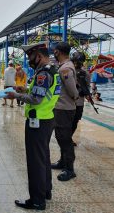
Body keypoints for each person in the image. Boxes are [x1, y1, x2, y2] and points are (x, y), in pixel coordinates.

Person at [6, 42, 61, 211]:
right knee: (43, 158)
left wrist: (15, 95)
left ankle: (37, 200)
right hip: (47, 118)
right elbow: (42, 93)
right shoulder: (52, 70)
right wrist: (26, 89)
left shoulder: (43, 73)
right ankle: (46, 191)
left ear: (38, 55)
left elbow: (36, 100)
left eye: (30, 56)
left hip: (38, 122)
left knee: (35, 162)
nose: (29, 60)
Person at [51, 42, 79, 181]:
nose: (53, 54)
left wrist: (75, 98)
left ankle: (69, 169)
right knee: (60, 136)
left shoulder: (65, 68)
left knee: (65, 138)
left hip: (65, 108)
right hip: (61, 107)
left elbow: (72, 90)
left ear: (57, 52)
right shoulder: (64, 66)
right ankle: (63, 161)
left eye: (54, 52)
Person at [70, 52, 91, 146]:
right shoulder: (68, 71)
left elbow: (87, 87)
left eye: (79, 62)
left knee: (75, 120)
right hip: (68, 101)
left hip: (79, 102)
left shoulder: (85, 73)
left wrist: (87, 94)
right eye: (75, 61)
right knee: (67, 120)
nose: (77, 64)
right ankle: (66, 138)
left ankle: (68, 137)